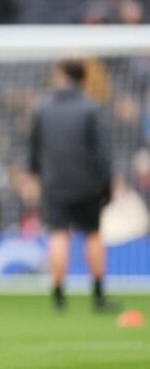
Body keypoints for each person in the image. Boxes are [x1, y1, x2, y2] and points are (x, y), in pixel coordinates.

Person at [29, 59, 117, 312]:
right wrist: (106, 181)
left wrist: (38, 174)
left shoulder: (44, 108)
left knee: (58, 234)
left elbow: (34, 149)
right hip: (87, 182)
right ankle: (98, 295)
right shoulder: (92, 108)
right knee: (93, 233)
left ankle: (58, 297)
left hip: (54, 181)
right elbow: (103, 151)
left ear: (62, 76)